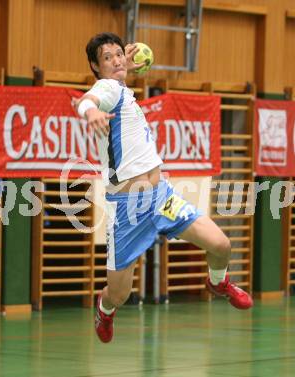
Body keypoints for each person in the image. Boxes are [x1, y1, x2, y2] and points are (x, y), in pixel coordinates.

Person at [77, 32, 253, 344]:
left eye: (119, 54)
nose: (117, 60)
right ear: (95, 65)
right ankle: (105, 310)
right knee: (119, 294)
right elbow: (88, 99)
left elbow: (114, 83)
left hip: (162, 197)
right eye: (108, 58)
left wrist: (124, 68)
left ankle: (218, 282)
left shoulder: (122, 89)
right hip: (127, 209)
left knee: (221, 246)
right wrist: (90, 111)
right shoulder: (106, 89)